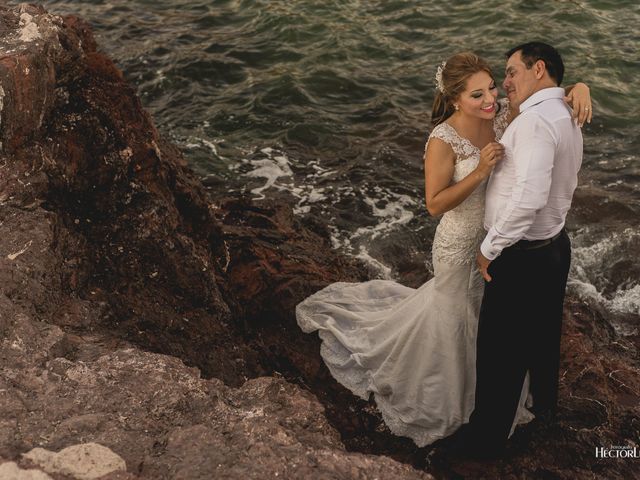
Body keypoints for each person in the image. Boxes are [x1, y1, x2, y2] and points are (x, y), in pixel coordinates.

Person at [295, 51, 590, 448]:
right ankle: (455, 399)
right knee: (455, 317)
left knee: (489, 324)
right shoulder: (443, 139)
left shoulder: (503, 115)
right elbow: (434, 204)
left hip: (495, 239)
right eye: (477, 95)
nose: (490, 100)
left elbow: (544, 98)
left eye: (491, 88)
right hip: (458, 241)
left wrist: (578, 88)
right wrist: (482, 170)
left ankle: (489, 397)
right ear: (455, 100)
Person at [468, 42, 584, 458]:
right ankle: (543, 410)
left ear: (539, 69)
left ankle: (485, 443)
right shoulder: (567, 111)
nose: (506, 82)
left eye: (512, 72)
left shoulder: (536, 122)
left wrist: (490, 247)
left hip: (522, 254)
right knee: (542, 336)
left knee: (499, 352)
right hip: (555, 246)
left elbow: (529, 197)